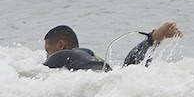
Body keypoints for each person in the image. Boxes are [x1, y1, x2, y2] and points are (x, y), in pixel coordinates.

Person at [43, 21, 182, 71]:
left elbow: (38, 73)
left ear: (61, 45)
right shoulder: (87, 54)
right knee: (127, 71)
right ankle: (152, 39)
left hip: (96, 74)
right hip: (106, 71)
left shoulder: (59, 57)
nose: (48, 56)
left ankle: (153, 38)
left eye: (48, 51)